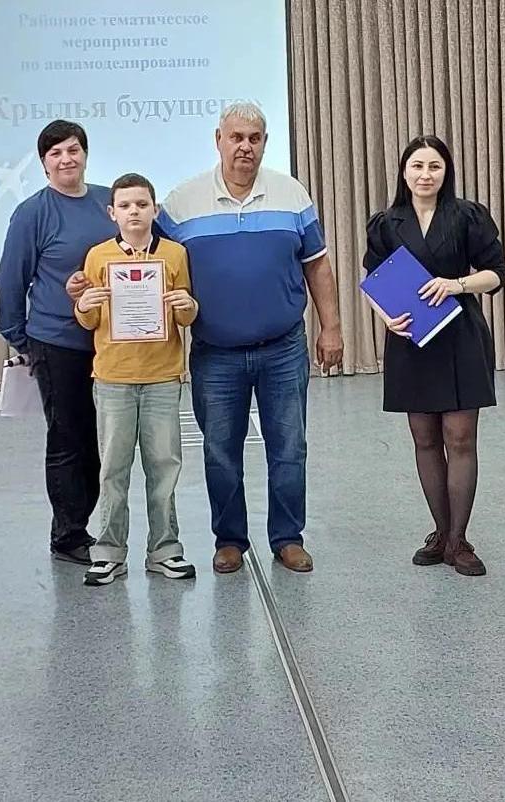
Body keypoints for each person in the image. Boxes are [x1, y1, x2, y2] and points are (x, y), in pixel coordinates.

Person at [157, 102, 344, 573]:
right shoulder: (180, 202)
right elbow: (149, 263)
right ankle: (229, 540)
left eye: (254, 138)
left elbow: (317, 265)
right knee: (220, 452)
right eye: (236, 137)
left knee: (289, 448)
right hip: (215, 354)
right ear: (218, 140)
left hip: (283, 349)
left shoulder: (291, 194)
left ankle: (288, 538)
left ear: (265, 143)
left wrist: (332, 327)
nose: (245, 147)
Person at [363, 135, 505, 577]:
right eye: (417, 166)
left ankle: (460, 540)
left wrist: (456, 284)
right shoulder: (386, 223)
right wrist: (386, 316)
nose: (425, 174)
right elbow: (372, 279)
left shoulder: (467, 216)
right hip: (411, 339)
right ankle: (442, 534)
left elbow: (497, 273)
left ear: (446, 172)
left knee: (460, 438)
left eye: (434, 166)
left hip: (460, 336)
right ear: (404, 172)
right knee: (425, 439)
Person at [0, 120, 117, 564]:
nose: (66, 159)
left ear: (85, 154)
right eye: (55, 153)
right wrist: (21, 338)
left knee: (105, 441)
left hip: (113, 343)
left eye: (73, 149)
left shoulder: (108, 200)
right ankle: (68, 534)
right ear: (44, 163)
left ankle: (94, 522)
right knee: (70, 438)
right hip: (57, 342)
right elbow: (11, 279)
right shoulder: (32, 213)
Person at [75, 173, 197, 586]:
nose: (134, 212)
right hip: (113, 378)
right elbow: (89, 320)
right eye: (125, 206)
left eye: (142, 204)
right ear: (112, 213)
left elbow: (186, 316)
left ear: (155, 210)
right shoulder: (98, 257)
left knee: (164, 466)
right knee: (113, 469)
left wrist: (187, 304)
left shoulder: (175, 254)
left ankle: (165, 550)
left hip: (162, 377)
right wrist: (83, 305)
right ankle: (109, 552)